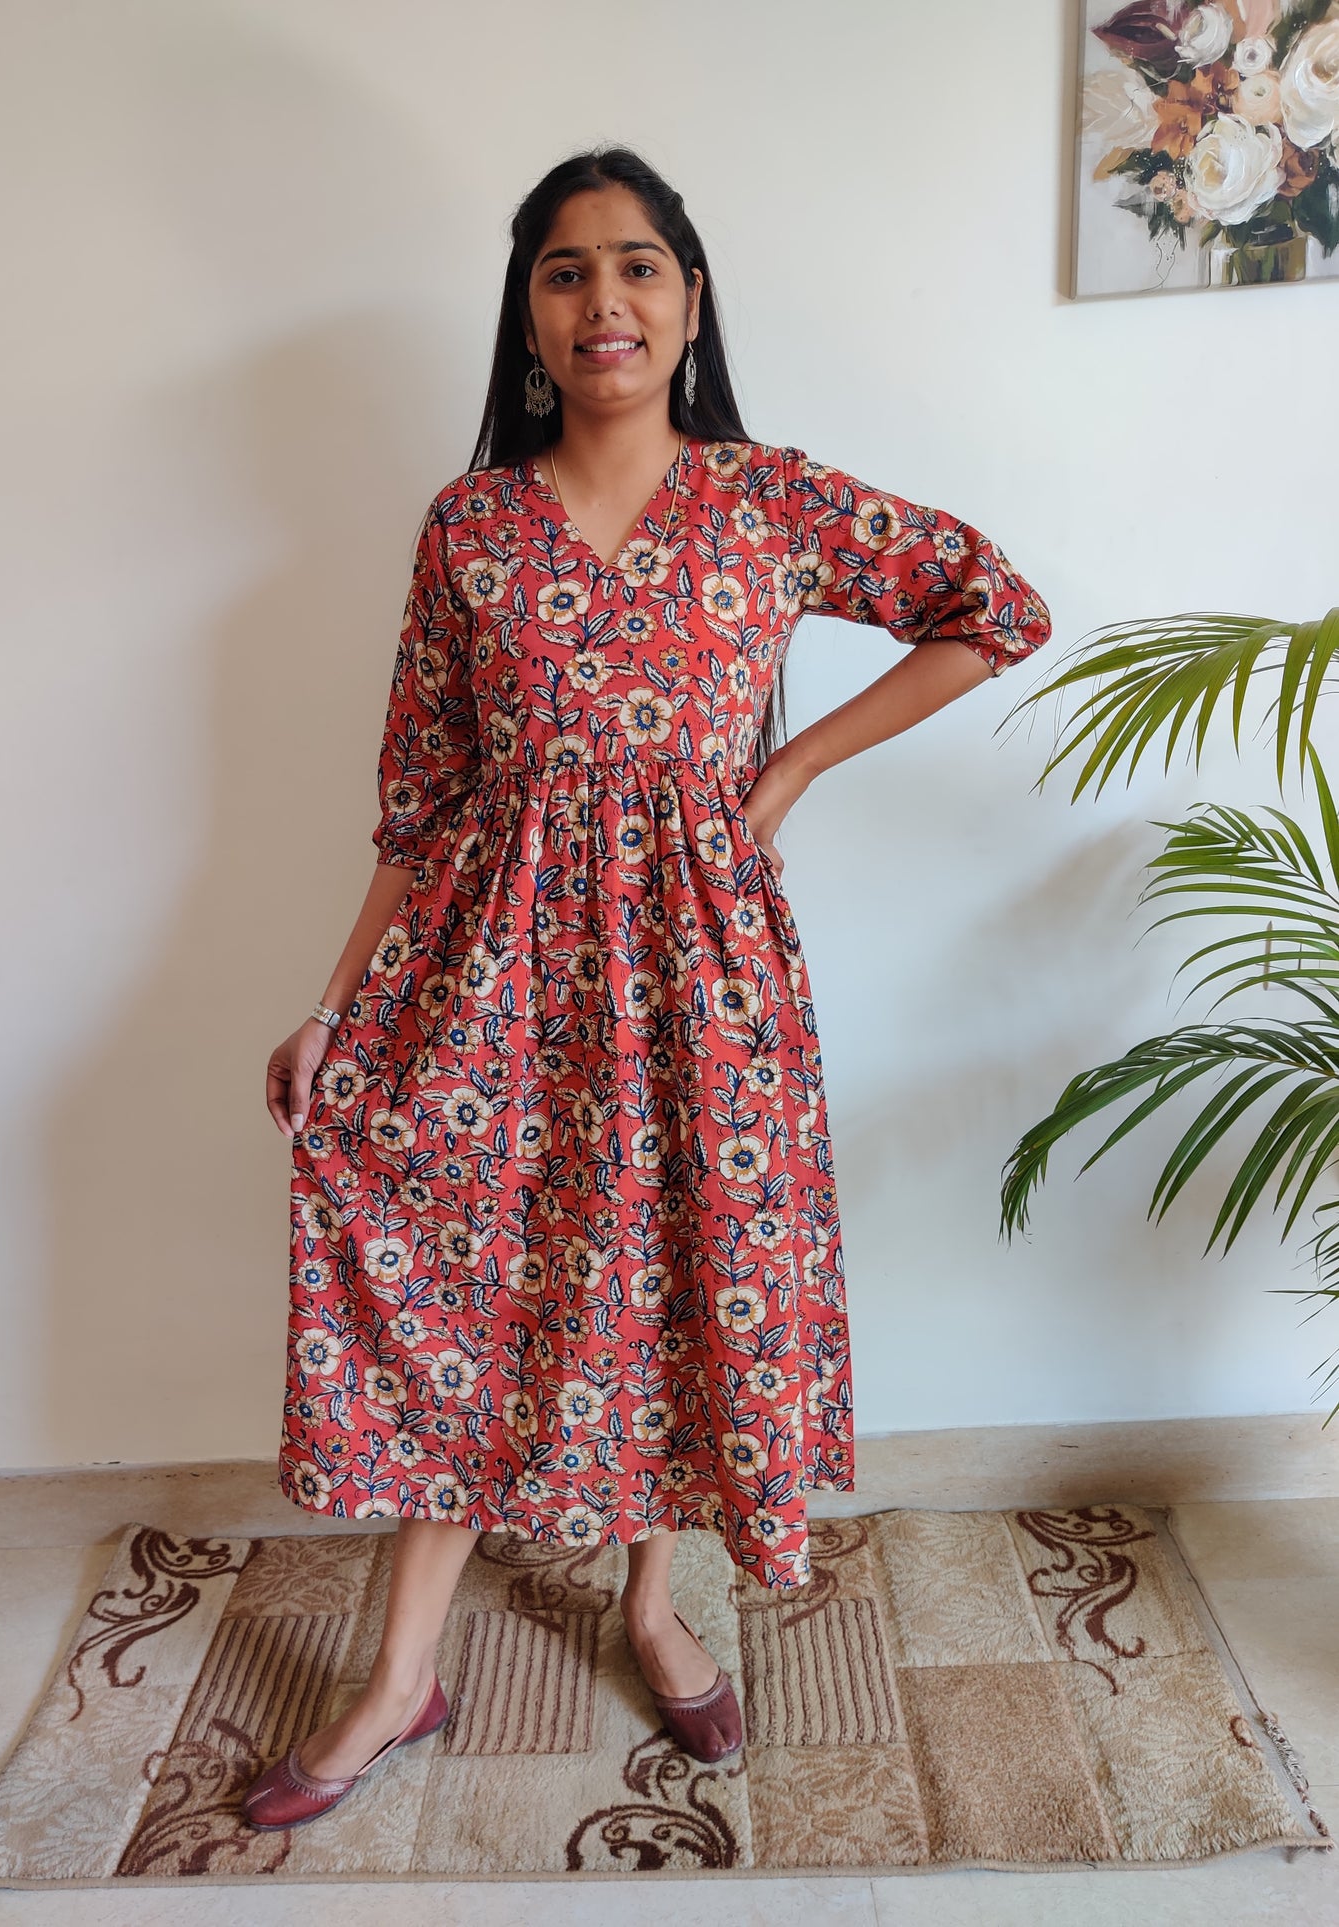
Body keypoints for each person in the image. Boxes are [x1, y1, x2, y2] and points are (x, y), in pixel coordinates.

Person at [242, 145, 1053, 1831]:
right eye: (561, 271)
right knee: (468, 1295)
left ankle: (653, 1601)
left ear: (687, 302)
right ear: (527, 317)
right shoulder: (468, 526)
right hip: (486, 977)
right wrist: (335, 1002)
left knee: (687, 1276)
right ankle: (400, 1672)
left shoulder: (768, 502)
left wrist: (796, 766)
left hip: (700, 977)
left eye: (634, 267)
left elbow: (996, 606)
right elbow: (421, 799)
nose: (600, 299)